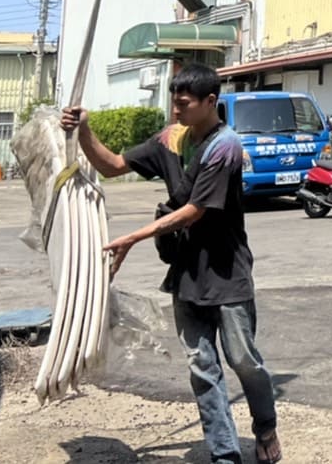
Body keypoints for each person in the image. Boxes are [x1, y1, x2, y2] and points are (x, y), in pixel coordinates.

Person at [60, 63, 282, 464]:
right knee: (201, 366)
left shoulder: (226, 146)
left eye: (184, 104)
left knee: (244, 360)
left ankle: (265, 427)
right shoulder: (170, 139)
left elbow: (195, 210)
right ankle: (225, 452)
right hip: (186, 273)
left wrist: (133, 237)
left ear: (210, 102)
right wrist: (83, 130)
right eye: (173, 103)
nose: (176, 112)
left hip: (227, 273)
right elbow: (111, 164)